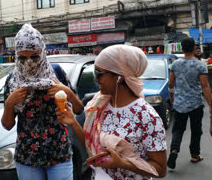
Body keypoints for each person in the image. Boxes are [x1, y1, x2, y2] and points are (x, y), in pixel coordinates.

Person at [57, 45, 167, 179]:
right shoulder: (99, 104)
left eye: (99, 73)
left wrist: (122, 163)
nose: (95, 79)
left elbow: (160, 170)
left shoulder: (146, 116)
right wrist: (73, 122)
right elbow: (91, 144)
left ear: (119, 76)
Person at [1, 23, 83, 180]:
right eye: (23, 57)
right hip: (27, 156)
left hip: (59, 153)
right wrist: (10, 103)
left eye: (34, 56)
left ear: (43, 53)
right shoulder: (13, 81)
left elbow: (79, 109)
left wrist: (68, 93)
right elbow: (7, 125)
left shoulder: (56, 72)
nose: (29, 62)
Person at [167, 38, 212, 169]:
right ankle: (195, 154)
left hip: (180, 103)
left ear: (182, 48)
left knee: (178, 129)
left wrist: (172, 97)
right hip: (196, 104)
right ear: (194, 48)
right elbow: (205, 86)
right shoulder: (200, 65)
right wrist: (210, 104)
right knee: (196, 130)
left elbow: (171, 84)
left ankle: (174, 150)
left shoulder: (175, 64)